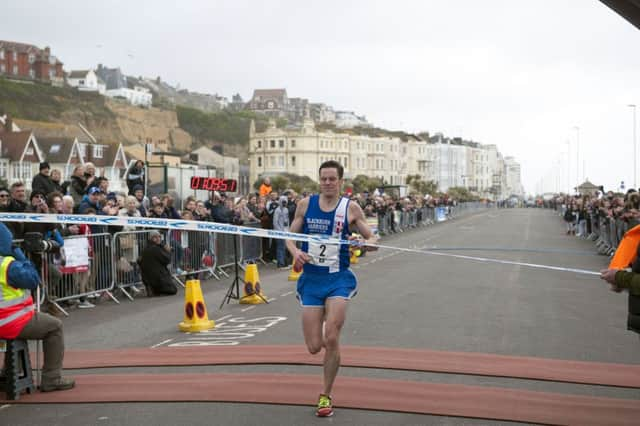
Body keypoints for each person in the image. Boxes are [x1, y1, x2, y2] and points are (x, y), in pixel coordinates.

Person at [285, 160, 378, 417]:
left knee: (332, 337)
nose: (327, 183)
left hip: (338, 278)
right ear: (319, 180)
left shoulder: (351, 208)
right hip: (311, 281)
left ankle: (325, 395)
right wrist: (296, 253)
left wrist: (363, 242)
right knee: (315, 346)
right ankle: (329, 346)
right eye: (323, 179)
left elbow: (373, 240)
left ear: (340, 182)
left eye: (332, 179)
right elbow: (289, 237)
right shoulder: (306, 205)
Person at [0, 222, 75, 391]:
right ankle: (51, 378)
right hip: (8, 320)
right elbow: (33, 280)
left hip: (7, 321)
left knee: (19, 332)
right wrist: (21, 256)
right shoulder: (7, 265)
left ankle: (8, 373)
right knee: (54, 327)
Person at [139, 230, 177, 296]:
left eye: (159, 237)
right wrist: (168, 251)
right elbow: (167, 260)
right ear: (151, 238)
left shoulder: (145, 248)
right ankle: (155, 290)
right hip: (157, 279)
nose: (158, 239)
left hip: (147, 279)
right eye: (155, 237)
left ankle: (151, 288)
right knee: (173, 290)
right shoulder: (155, 249)